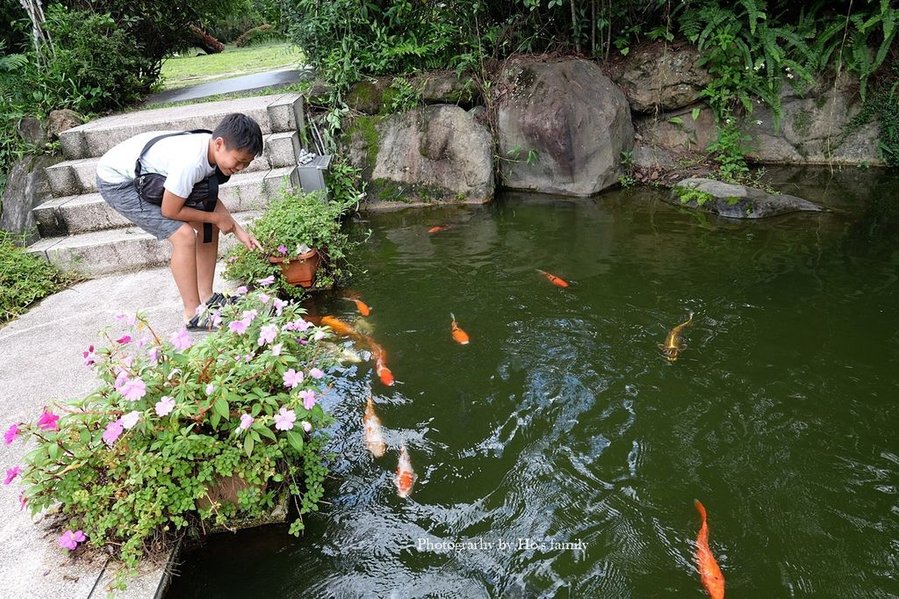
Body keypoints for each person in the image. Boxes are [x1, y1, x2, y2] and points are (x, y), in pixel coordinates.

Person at [96, 113, 264, 330]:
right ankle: (192, 314)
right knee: (184, 236)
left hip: (147, 172)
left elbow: (208, 199)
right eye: (239, 161)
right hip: (119, 182)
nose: (240, 168)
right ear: (220, 144)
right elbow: (170, 210)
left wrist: (238, 230)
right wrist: (214, 218)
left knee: (207, 228)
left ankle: (208, 297)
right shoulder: (192, 162)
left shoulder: (212, 149)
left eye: (246, 164)